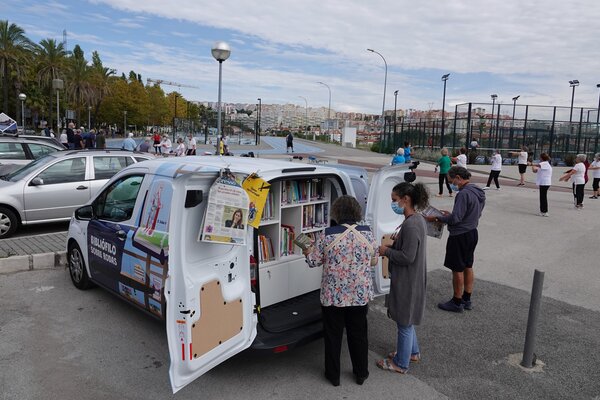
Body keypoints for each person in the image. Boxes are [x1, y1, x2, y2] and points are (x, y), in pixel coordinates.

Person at [304, 195, 378, 386]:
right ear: (357, 212)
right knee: (358, 334)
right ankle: (361, 373)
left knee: (333, 335)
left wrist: (307, 252)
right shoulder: (367, 234)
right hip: (359, 294)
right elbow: (374, 260)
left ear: (336, 212)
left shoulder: (327, 235)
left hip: (333, 295)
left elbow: (314, 261)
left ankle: (333, 375)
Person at [375, 182, 429, 375]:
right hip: (411, 278)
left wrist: (386, 251)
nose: (393, 204)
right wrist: (395, 246)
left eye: (394, 200)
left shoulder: (411, 225)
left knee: (404, 323)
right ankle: (412, 352)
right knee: (407, 320)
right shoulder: (417, 220)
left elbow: (407, 257)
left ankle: (400, 363)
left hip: (408, 281)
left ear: (406, 199)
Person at [425, 166, 485, 313]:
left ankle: (456, 302)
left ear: (458, 177)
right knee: (468, 265)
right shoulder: (478, 191)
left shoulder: (463, 194)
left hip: (459, 236)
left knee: (457, 268)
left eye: (451, 181)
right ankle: (466, 299)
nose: (451, 184)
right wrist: (451, 215)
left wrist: (438, 217)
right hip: (472, 232)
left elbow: (456, 219)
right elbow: (473, 213)